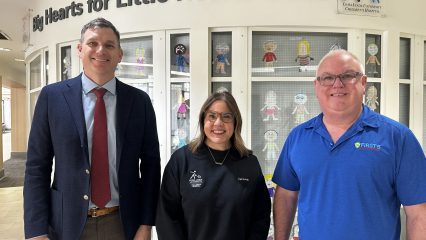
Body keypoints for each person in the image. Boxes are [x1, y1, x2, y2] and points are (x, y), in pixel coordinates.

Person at [24, 18, 161, 240]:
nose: (101, 50)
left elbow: (151, 166)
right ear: (80, 49)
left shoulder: (139, 101)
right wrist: (36, 230)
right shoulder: (52, 97)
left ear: (119, 54)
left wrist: (147, 224)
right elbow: (36, 167)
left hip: (123, 223)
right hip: (66, 224)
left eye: (109, 45)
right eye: (92, 43)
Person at [272, 49, 426, 240]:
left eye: (347, 76)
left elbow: (419, 212)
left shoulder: (398, 138)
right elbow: (286, 196)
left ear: (363, 83)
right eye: (327, 78)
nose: (337, 84)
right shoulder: (298, 137)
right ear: (316, 85)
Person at [156, 91, 271, 240]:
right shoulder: (181, 160)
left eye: (226, 117)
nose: (218, 123)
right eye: (212, 116)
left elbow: (260, 217)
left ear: (235, 122)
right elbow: (167, 218)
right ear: (203, 120)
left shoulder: (249, 163)